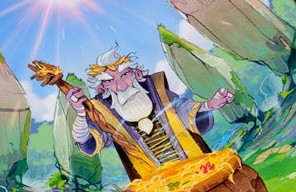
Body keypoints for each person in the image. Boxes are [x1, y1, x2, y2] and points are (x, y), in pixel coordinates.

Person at [41, 47, 234, 182]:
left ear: (137, 74)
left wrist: (209, 105)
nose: (121, 85)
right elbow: (88, 142)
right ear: (102, 88)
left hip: (198, 167)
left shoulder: (158, 89)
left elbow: (184, 111)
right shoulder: (102, 112)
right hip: (154, 182)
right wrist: (81, 114)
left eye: (125, 74)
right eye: (110, 81)